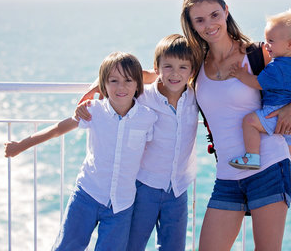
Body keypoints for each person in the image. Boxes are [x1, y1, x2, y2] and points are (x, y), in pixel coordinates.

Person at [181, 0, 291, 250]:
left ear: (226, 12)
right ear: (192, 25)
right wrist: (102, 83)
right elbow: (157, 74)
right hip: (228, 175)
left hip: (269, 167)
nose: (209, 24)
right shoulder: (194, 64)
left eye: (215, 14)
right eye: (200, 19)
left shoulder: (257, 54)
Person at [4, 52, 157, 251]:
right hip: (87, 195)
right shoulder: (93, 110)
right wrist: (20, 146)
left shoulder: (148, 118)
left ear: (138, 84)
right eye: (114, 80)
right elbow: (57, 129)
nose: (121, 87)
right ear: (103, 85)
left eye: (128, 80)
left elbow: (158, 74)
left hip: (122, 205)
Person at [76, 34, 199, 251]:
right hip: (145, 187)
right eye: (168, 66)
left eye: (183, 67)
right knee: (133, 245)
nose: (175, 73)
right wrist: (96, 88)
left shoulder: (195, 96)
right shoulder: (142, 96)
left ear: (192, 71)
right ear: (156, 68)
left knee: (174, 247)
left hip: (178, 189)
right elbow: (119, 78)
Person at [228, 10, 291, 201]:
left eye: (271, 41)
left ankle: (252, 156)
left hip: (275, 113)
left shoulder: (276, 67)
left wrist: (241, 75)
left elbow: (258, 83)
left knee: (249, 121)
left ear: (290, 44)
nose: (266, 45)